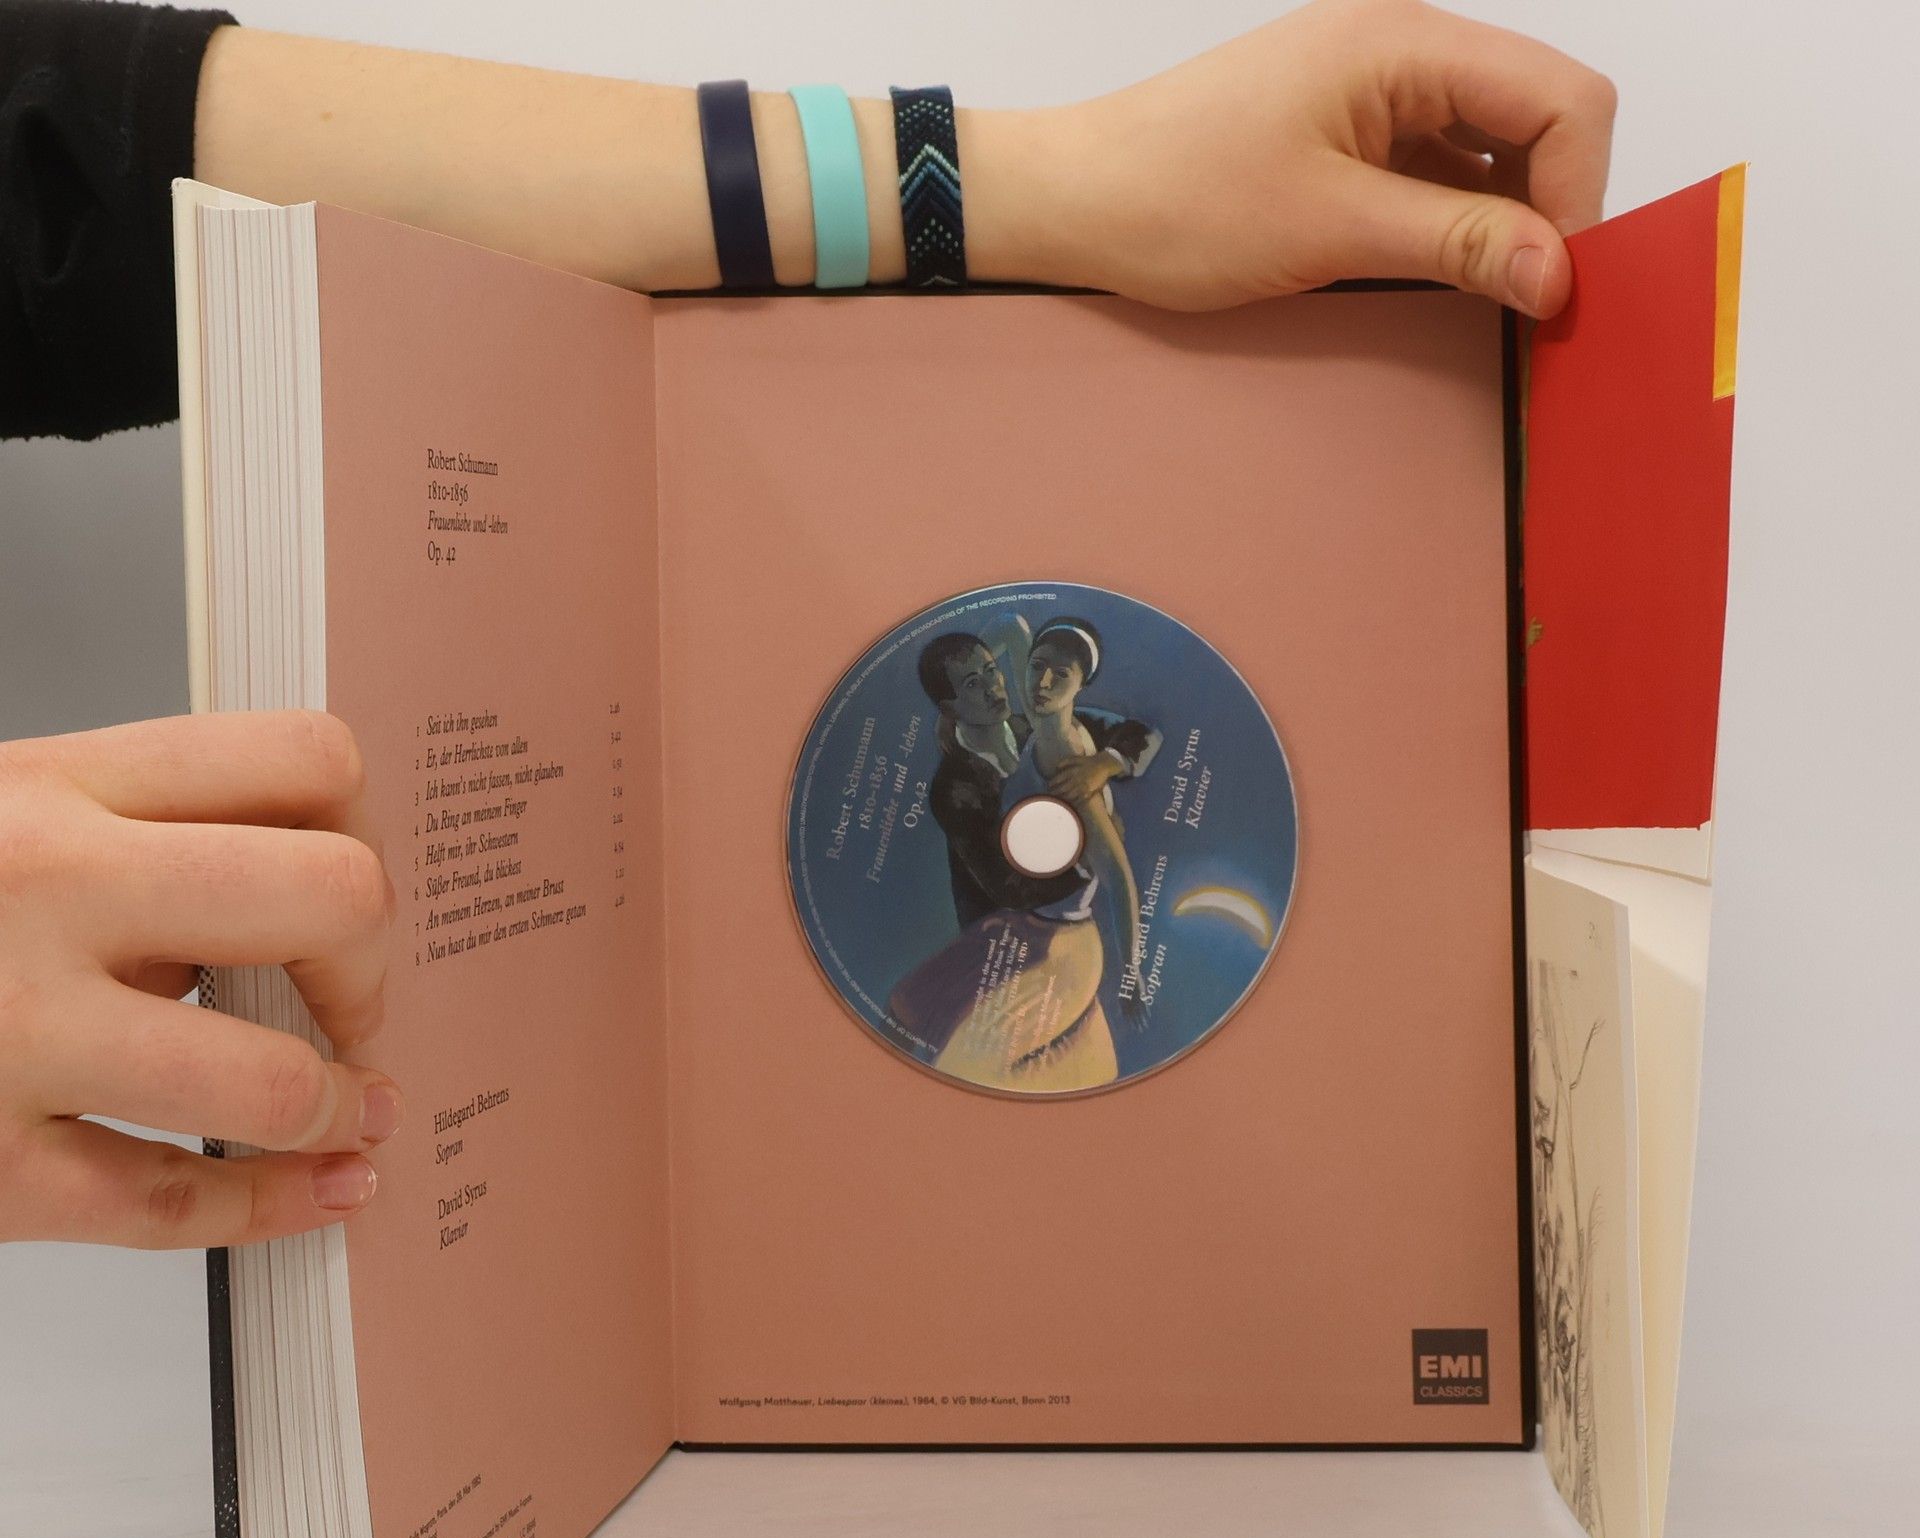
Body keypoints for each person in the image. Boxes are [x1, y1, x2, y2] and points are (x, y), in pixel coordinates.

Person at [0, 0, 1616, 1243]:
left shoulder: (1036, 767)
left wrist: (1040, 182)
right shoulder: (970, 793)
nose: (1027, 694)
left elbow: (73, 171)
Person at [917, 626, 1160, 929]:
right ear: (948, 709)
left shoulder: (1035, 727)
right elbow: (1009, 888)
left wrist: (1105, 763)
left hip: (1069, 920)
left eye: (992, 671)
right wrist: (1086, 861)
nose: (992, 689)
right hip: (1003, 934)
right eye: (973, 684)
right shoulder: (953, 788)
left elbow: (1144, 736)